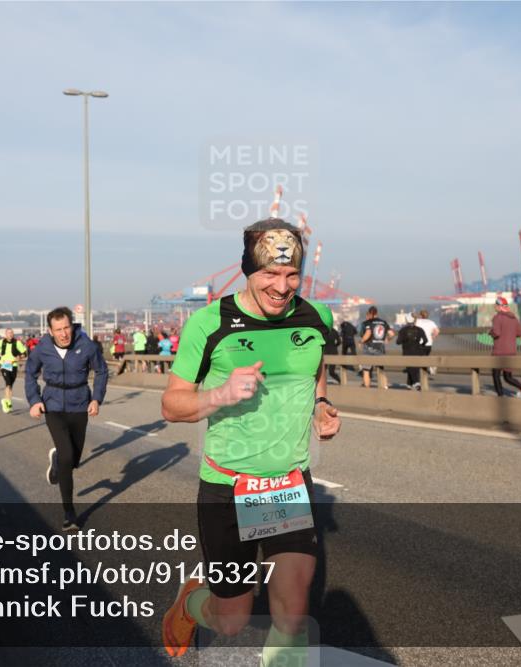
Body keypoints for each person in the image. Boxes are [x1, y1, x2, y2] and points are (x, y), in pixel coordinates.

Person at [160, 218, 340, 665]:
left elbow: (315, 365)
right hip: (229, 486)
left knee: (293, 613)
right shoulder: (209, 324)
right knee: (231, 620)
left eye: (292, 274)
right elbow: (171, 405)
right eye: (270, 274)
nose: (282, 287)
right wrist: (220, 394)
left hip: (286, 483)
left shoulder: (316, 317)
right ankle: (191, 602)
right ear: (247, 270)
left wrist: (320, 404)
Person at [25, 307, 108, 531]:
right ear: (50, 331)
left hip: (79, 404)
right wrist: (34, 400)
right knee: (67, 455)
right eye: (58, 330)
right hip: (53, 406)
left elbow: (101, 371)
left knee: (74, 460)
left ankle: (57, 461)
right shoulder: (42, 348)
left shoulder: (86, 345)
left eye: (66, 328)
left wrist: (96, 399)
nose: (64, 334)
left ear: (72, 326)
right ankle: (69, 513)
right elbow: (30, 372)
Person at [489, 296, 521, 397]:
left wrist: (490, 332)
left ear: (499, 306)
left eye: (496, 305)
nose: (494, 306)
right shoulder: (514, 318)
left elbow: (496, 333)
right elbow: (520, 333)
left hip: (499, 352)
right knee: (508, 377)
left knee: (496, 375)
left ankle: (500, 396)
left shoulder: (497, 317)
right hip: (511, 351)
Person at [0, 329, 28, 413]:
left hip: (13, 365)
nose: (10, 334)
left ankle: (6, 401)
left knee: (10, 385)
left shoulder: (17, 343)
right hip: (4, 364)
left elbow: (24, 354)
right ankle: (8, 403)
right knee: (8, 383)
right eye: (8, 333)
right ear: (5, 334)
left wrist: (19, 357)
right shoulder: (1, 342)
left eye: (12, 333)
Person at [359, 306, 392, 389]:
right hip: (380, 348)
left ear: (369, 313)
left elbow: (368, 333)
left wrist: (361, 341)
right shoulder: (384, 322)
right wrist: (387, 339)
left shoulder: (368, 322)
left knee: (366, 370)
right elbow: (391, 333)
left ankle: (367, 388)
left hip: (369, 348)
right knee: (381, 370)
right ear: (377, 313)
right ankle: (385, 386)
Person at [395, 316, 429, 389]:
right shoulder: (420, 329)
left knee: (410, 367)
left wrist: (404, 340)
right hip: (418, 350)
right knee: (414, 367)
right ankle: (409, 384)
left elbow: (398, 342)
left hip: (407, 351)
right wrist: (421, 346)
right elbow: (426, 340)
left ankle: (416, 382)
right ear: (414, 320)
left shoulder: (403, 330)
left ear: (407, 321)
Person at [414, 309, 439, 376]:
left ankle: (430, 366)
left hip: (419, 343)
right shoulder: (431, 322)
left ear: (420, 315)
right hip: (429, 343)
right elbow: (437, 331)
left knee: (419, 358)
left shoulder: (417, 321)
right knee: (425, 357)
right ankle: (429, 368)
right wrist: (433, 337)